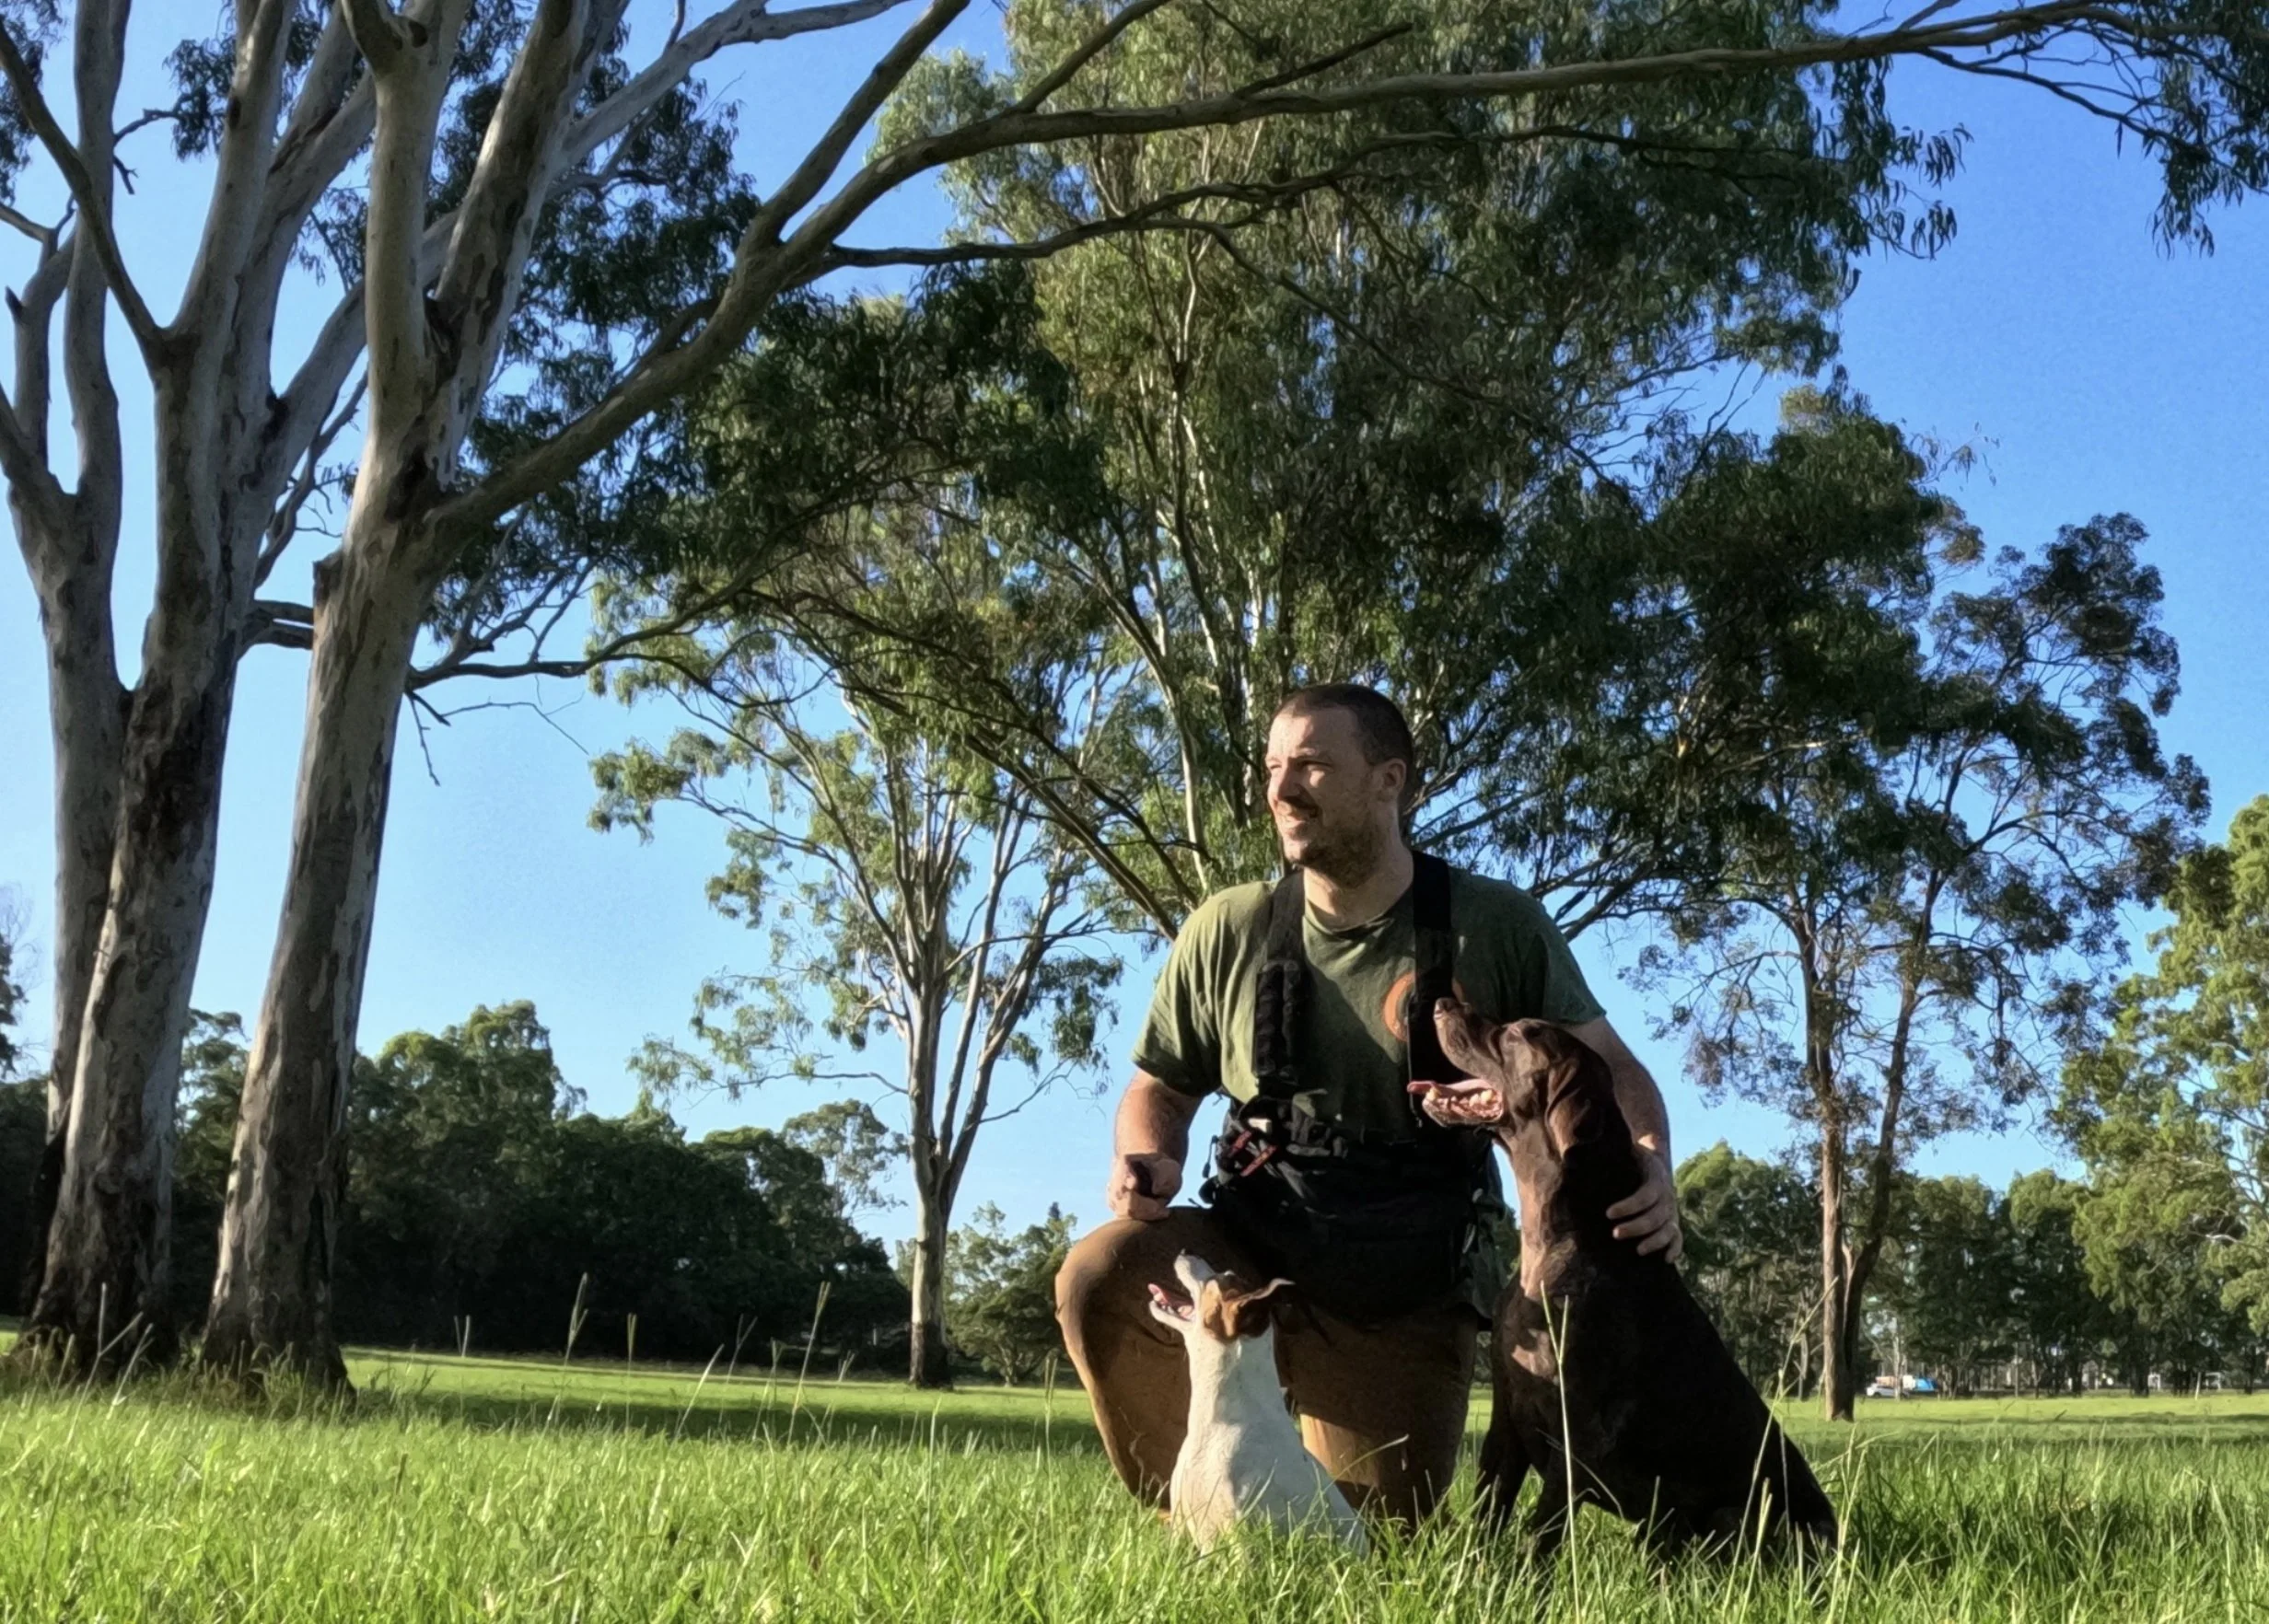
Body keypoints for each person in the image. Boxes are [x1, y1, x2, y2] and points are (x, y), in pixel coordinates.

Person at [1054, 681, 1681, 1527]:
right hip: (1249, 1244)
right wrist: (1149, 1155)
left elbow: (1609, 1069)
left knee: (1379, 1541)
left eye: (1311, 765)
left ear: (1390, 780)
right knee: (1101, 1273)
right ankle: (1198, 1514)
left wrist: (1650, 1159)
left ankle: (1336, 1466)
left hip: (1405, 1280)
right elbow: (1157, 1088)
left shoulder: (1493, 924)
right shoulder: (1226, 927)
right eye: (1274, 767)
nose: (1280, 790)